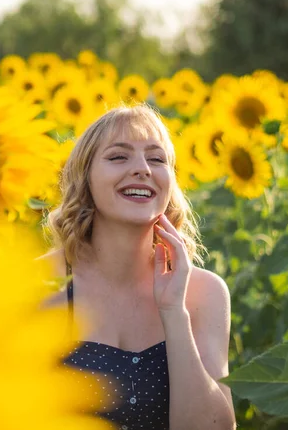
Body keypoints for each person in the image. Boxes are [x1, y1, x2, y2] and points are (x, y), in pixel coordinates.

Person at [41, 104, 236, 430]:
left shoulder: (205, 293)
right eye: (119, 157)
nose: (143, 169)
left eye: (157, 159)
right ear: (84, 177)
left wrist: (174, 310)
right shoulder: (38, 285)